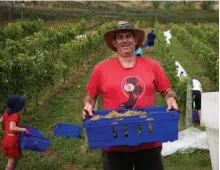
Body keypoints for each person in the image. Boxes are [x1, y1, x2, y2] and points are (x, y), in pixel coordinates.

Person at [82, 21, 178, 170]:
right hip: (114, 142)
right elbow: (90, 96)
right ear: (114, 42)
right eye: (120, 37)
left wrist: (171, 98)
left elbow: (167, 90)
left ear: (135, 40)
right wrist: (88, 105)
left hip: (149, 139)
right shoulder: (101, 68)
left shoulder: (152, 65)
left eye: (128, 36)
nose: (124, 40)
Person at [0, 95, 31, 170]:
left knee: (16, 157)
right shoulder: (15, 114)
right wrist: (23, 129)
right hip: (12, 141)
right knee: (11, 162)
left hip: (7, 138)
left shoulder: (7, 111)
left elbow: (1, 120)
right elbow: (12, 127)